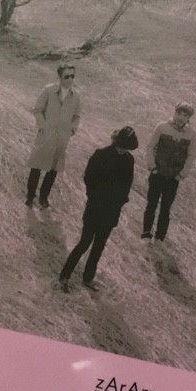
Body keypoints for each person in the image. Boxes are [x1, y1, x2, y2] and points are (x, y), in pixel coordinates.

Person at [59, 126, 139, 292]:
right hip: (95, 208)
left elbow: (127, 183)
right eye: (121, 146)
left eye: (127, 148)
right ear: (115, 142)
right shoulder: (101, 154)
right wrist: (95, 196)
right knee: (84, 243)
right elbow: (89, 177)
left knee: (99, 246)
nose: (123, 150)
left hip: (112, 210)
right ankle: (64, 276)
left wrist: (121, 200)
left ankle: (88, 278)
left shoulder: (129, 160)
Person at [25, 63, 81, 209]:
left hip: (62, 138)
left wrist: (72, 130)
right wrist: (43, 126)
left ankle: (44, 197)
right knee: (36, 166)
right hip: (46, 136)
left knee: (53, 169)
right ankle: (30, 197)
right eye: (67, 76)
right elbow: (38, 110)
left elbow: (77, 116)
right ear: (60, 77)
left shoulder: (76, 96)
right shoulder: (48, 90)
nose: (70, 79)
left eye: (72, 76)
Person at [141, 102, 196, 242]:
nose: (181, 118)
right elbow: (150, 146)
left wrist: (181, 174)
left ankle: (160, 237)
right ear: (175, 112)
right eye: (179, 113)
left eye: (185, 115)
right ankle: (146, 233)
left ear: (188, 118)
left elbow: (191, 156)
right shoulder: (162, 127)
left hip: (173, 178)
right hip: (157, 174)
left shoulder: (191, 135)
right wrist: (152, 167)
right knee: (151, 204)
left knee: (166, 208)